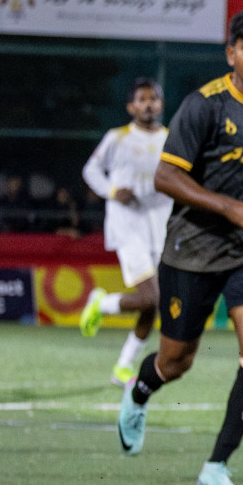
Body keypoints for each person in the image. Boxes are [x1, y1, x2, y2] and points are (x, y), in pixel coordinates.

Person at [115, 8, 243, 485]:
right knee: (175, 361)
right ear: (231, 55)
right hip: (192, 250)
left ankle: (216, 467)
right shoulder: (203, 106)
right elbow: (165, 176)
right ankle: (140, 392)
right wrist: (229, 207)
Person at [79, 78, 174, 384]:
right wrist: (111, 190)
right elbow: (90, 170)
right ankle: (102, 303)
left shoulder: (171, 140)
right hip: (127, 226)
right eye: (142, 99)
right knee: (150, 297)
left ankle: (123, 366)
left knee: (154, 304)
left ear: (161, 103)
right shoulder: (116, 138)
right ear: (131, 106)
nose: (148, 104)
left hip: (158, 229)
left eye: (154, 98)